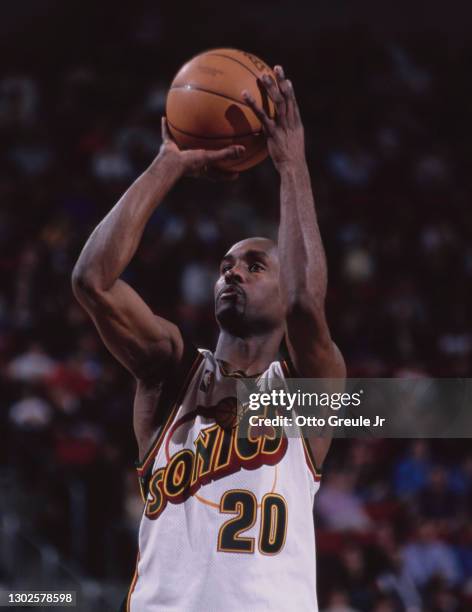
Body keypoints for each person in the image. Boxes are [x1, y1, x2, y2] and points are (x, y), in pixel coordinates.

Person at [72, 65, 345, 611]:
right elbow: (91, 281)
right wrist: (166, 163)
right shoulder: (170, 375)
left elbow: (303, 305)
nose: (232, 273)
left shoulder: (308, 391)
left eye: (253, 265)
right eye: (225, 266)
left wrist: (291, 164)